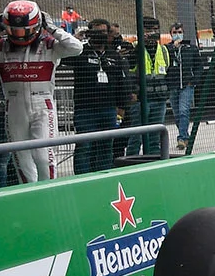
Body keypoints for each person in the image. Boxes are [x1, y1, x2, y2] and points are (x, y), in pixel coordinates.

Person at [0, 0, 84, 183]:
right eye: (14, 30)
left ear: (37, 25)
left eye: (24, 30)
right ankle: (30, 192)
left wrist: (52, 28)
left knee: (44, 156)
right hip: (13, 106)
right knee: (21, 159)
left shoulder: (50, 46)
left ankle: (49, 191)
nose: (19, 35)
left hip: (43, 106)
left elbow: (77, 48)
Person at [71, 20, 129, 174]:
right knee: (84, 147)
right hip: (85, 110)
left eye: (103, 32)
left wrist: (121, 107)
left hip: (108, 109)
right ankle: (82, 180)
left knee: (106, 147)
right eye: (96, 32)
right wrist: (75, 39)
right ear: (90, 33)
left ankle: (103, 177)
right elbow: (62, 56)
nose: (100, 35)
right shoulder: (79, 52)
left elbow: (121, 82)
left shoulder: (113, 55)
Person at [126, 16, 170, 157]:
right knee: (136, 137)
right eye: (149, 30)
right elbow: (129, 69)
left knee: (155, 138)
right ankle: (131, 163)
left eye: (156, 30)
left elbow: (167, 73)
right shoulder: (133, 48)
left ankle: (154, 162)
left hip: (159, 99)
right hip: (140, 100)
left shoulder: (163, 50)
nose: (153, 33)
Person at [167, 26, 203, 152]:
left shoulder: (191, 48)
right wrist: (173, 48)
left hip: (187, 85)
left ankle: (181, 138)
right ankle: (185, 135)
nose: (177, 34)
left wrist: (194, 81)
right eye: (175, 32)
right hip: (172, 85)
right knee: (177, 114)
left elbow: (199, 66)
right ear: (170, 34)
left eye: (180, 32)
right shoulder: (166, 48)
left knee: (183, 111)